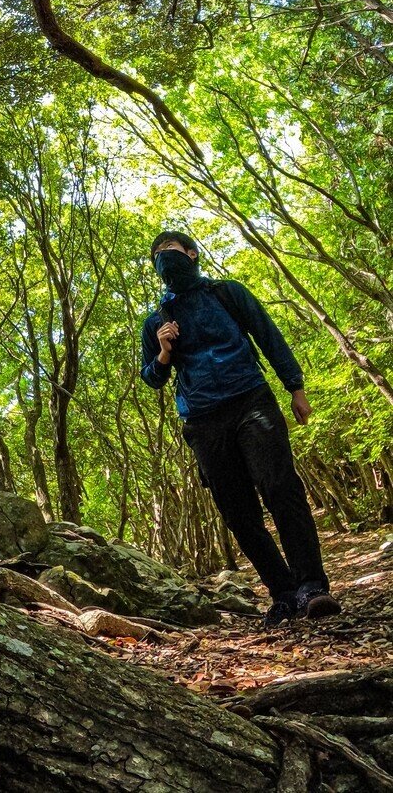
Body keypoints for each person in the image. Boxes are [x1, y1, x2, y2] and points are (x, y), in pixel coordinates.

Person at [140, 231, 339, 626]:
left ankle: (312, 586)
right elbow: (151, 378)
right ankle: (283, 594)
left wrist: (294, 387)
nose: (165, 257)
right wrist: (164, 352)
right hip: (202, 419)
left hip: (251, 398)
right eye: (157, 255)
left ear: (192, 254)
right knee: (239, 514)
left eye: (171, 250)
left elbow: (268, 336)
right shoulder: (156, 322)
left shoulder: (227, 293)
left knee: (280, 489)